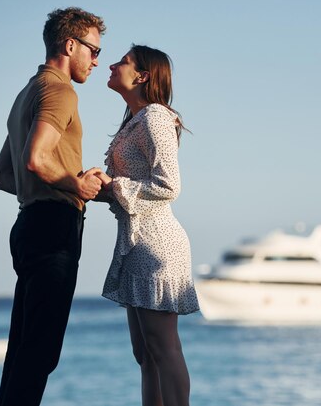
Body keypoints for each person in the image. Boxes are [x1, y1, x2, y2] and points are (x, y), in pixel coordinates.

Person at [0, 7, 106, 406]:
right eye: (92, 50)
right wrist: (74, 185)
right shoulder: (60, 91)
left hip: (29, 224)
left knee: (23, 347)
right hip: (53, 227)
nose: (96, 60)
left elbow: (3, 176)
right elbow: (34, 159)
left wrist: (42, 187)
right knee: (40, 350)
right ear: (69, 44)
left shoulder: (27, 93)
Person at [94, 44, 199, 406]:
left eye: (121, 62)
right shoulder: (135, 121)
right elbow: (129, 189)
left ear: (142, 75)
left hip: (157, 245)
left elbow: (169, 184)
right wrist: (93, 186)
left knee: (163, 349)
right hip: (136, 243)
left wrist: (114, 186)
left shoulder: (154, 117)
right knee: (145, 354)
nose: (110, 64)